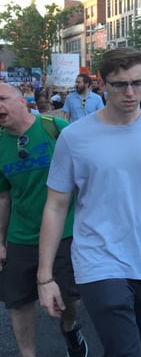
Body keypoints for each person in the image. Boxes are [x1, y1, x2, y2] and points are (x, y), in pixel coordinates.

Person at [37, 47, 141, 356]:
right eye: (120, 84)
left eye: (138, 82)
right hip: (97, 260)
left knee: (132, 346)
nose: (131, 92)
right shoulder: (74, 137)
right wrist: (45, 276)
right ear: (102, 83)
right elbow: (55, 206)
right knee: (126, 351)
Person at [0, 83, 87, 357]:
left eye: (1, 99)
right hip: (21, 235)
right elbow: (3, 198)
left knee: (69, 299)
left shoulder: (55, 128)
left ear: (22, 101)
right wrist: (0, 241)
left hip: (64, 232)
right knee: (18, 301)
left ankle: (70, 327)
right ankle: (28, 354)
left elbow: (86, 176)